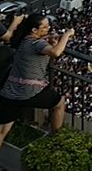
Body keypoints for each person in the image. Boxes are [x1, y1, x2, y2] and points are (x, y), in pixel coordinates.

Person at [0, 13, 73, 147]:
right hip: (29, 91)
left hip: (10, 90)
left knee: (3, 129)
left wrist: (51, 44)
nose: (48, 28)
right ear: (34, 30)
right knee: (59, 103)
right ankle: (57, 139)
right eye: (45, 27)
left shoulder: (22, 40)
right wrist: (66, 35)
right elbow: (56, 53)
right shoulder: (36, 43)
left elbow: (40, 56)